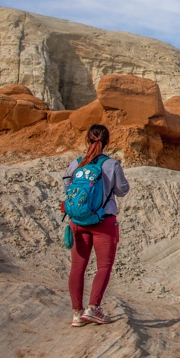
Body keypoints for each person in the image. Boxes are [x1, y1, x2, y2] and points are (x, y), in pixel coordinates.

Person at [63, 124, 129, 327]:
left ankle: (76, 313)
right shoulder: (111, 164)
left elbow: (67, 187)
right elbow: (122, 190)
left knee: (77, 267)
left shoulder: (75, 164)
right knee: (104, 266)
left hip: (78, 221)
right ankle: (93, 308)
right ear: (107, 141)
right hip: (103, 221)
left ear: (87, 140)